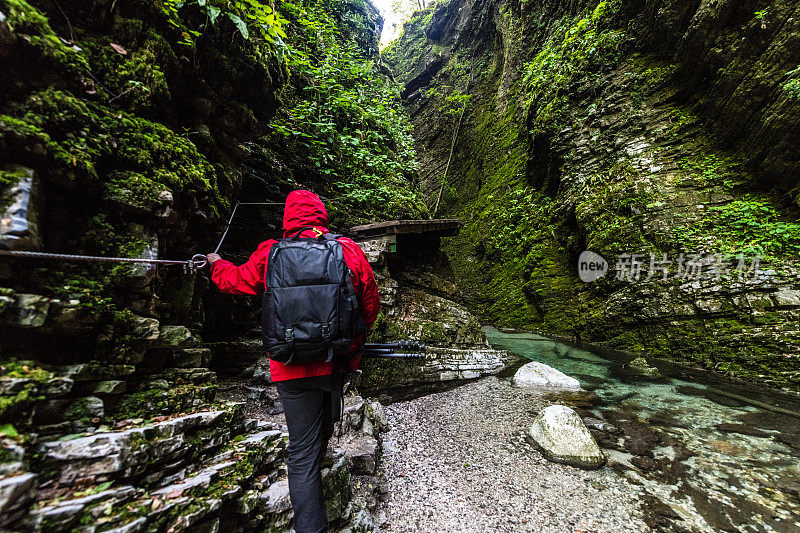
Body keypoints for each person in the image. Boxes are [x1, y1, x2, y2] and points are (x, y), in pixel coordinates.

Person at [206, 190, 380, 533]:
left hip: (288, 367)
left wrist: (215, 264)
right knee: (323, 429)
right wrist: (353, 343)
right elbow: (369, 303)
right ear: (320, 214)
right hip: (334, 362)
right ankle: (321, 456)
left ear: (287, 218)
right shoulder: (346, 250)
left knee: (300, 453)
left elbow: (234, 280)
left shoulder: (270, 253)